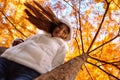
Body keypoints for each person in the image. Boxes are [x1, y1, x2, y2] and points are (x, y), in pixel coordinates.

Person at [0, 1, 72, 80]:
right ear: (55, 26)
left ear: (66, 36)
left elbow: (55, 66)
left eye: (64, 32)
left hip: (31, 69)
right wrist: (19, 41)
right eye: (60, 27)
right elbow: (24, 43)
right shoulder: (39, 35)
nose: (60, 31)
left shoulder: (62, 46)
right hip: (7, 59)